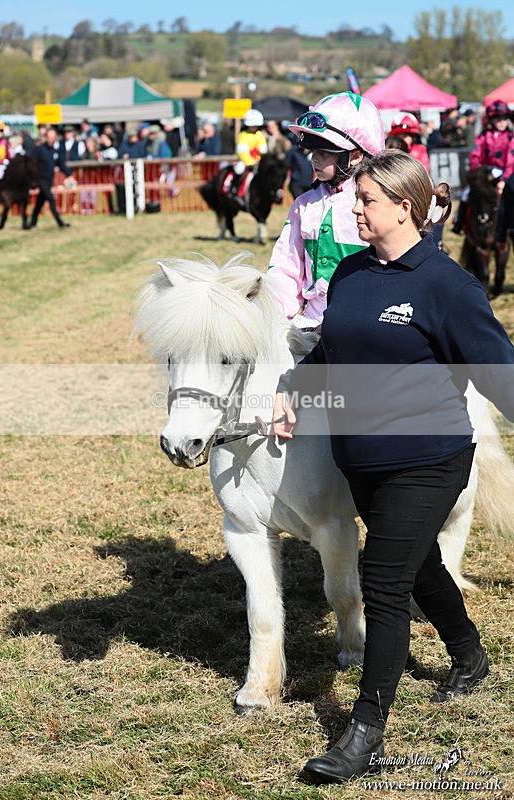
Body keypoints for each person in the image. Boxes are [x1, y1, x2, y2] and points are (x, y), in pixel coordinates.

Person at [272, 149, 514, 784]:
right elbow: (331, 348)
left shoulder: (447, 286)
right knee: (416, 564)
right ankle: (468, 654)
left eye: (367, 200)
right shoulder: (350, 274)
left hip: (429, 458)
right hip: (364, 460)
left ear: (405, 207)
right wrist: (291, 386)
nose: (354, 208)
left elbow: (499, 373)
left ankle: (365, 732)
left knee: (381, 578)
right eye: (356, 197)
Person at [267, 91, 385, 326]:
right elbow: (285, 266)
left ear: (355, 155)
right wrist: (279, 320)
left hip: (366, 324)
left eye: (324, 152)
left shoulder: (380, 204)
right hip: (310, 323)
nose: (314, 159)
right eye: (312, 151)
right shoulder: (303, 204)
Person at [453, 100, 514, 234]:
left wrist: (503, 179)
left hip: (505, 174)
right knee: (466, 194)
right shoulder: (483, 136)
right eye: (499, 119)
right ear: (491, 120)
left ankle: (510, 227)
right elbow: (475, 155)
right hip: (486, 173)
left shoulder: (510, 138)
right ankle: (459, 222)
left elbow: (511, 161)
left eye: (504, 119)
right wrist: (480, 173)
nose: (502, 122)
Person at [30, 126, 72, 229]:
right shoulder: (39, 150)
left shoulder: (55, 151)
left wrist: (69, 175)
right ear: (46, 137)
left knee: (39, 203)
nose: (51, 139)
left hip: (49, 180)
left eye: (53, 137)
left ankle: (32, 223)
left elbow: (61, 164)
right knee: (51, 200)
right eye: (49, 137)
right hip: (41, 180)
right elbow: (31, 164)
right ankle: (60, 223)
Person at [230, 108, 268, 195]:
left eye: (256, 125)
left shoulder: (260, 135)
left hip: (258, 161)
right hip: (245, 162)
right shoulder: (242, 136)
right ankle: (234, 188)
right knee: (239, 169)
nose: (254, 127)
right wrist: (250, 162)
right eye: (252, 125)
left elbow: (263, 149)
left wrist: (260, 160)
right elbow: (243, 153)